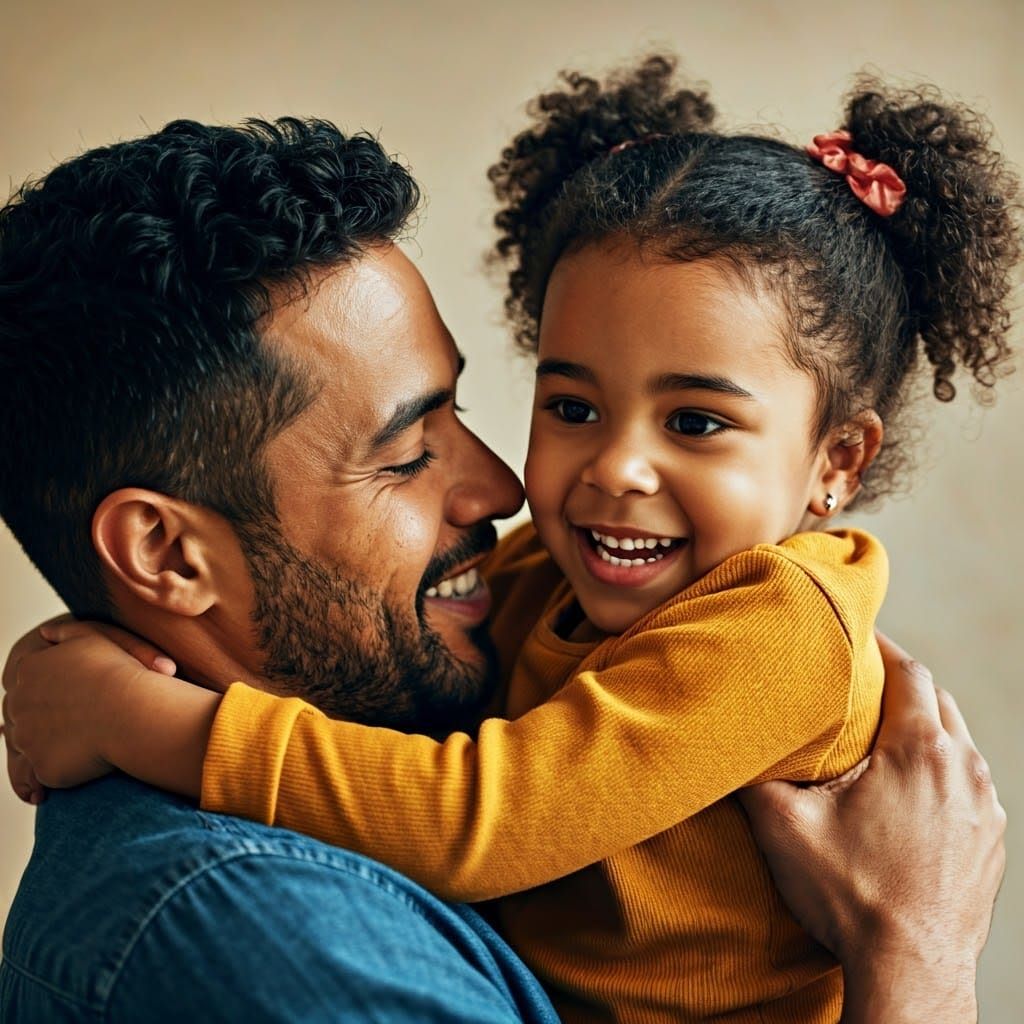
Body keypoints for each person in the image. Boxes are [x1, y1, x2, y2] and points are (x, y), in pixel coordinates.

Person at [0, 105, 1006, 1023]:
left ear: (838, 460)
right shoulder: (261, 928)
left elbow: (478, 814)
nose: (513, 489)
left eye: (695, 421)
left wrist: (132, 713)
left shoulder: (768, 623)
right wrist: (915, 959)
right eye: (569, 408)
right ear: (165, 554)